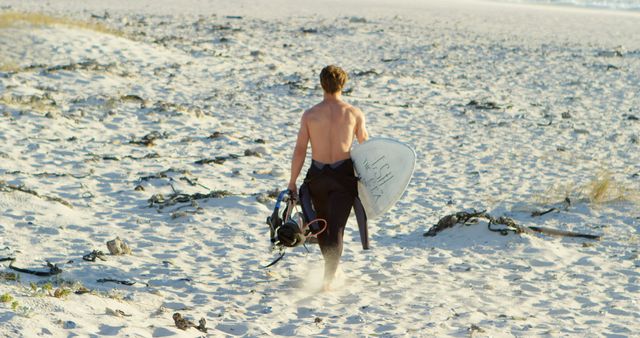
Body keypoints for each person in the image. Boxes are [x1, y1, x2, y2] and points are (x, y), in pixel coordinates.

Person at [287, 65, 369, 290]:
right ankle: (329, 277)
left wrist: (293, 181)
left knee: (320, 225)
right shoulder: (354, 113)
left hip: (317, 177)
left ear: (322, 84)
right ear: (343, 84)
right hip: (342, 178)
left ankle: (329, 271)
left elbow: (300, 150)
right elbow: (367, 150)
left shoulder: (311, 115)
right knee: (337, 227)